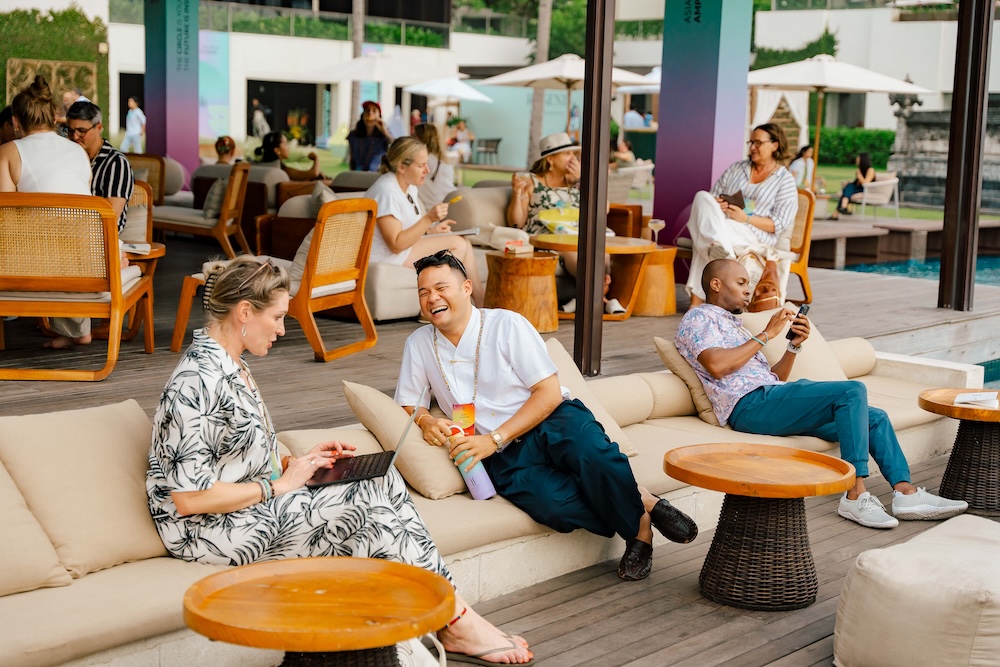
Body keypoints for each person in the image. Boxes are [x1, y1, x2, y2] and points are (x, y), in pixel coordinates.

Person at [146, 257, 532, 666]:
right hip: (210, 529)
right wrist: (281, 485)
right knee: (367, 511)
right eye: (277, 317)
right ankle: (453, 622)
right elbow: (189, 499)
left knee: (381, 481)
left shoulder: (232, 364)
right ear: (245, 312)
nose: (281, 329)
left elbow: (241, 453)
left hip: (249, 505)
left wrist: (304, 461)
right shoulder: (196, 382)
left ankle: (436, 616)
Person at [395, 251, 698, 582]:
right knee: (555, 508)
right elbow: (410, 403)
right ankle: (644, 504)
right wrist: (426, 421)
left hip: (550, 419)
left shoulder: (505, 324)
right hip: (499, 455)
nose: (432, 298)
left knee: (597, 457)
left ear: (467, 287)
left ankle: (640, 534)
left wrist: (493, 438)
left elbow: (549, 393)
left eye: (441, 287)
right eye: (423, 292)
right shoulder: (419, 343)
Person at [675, 258, 969, 529]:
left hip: (771, 398)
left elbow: (772, 377)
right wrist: (767, 334)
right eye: (741, 283)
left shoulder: (735, 327)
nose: (748, 290)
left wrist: (793, 346)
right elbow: (717, 366)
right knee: (852, 390)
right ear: (716, 284)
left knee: (874, 417)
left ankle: (906, 494)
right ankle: (855, 494)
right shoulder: (699, 318)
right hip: (749, 406)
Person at [0, 75, 98, 350]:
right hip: (90, 260)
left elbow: (5, 216)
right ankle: (79, 330)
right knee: (68, 234)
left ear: (16, 122)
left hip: (37, 260)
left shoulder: (9, 151)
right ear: (55, 120)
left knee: (41, 236)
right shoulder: (78, 151)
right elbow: (81, 207)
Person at [506, 132, 623, 315]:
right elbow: (516, 222)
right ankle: (602, 300)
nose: (573, 159)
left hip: (576, 233)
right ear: (551, 159)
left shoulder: (576, 181)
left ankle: (587, 300)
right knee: (574, 252)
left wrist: (584, 180)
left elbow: (604, 209)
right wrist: (517, 194)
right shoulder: (530, 182)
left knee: (604, 254)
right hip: (548, 238)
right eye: (567, 154)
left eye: (573, 154)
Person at [684, 123, 798, 306]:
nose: (752, 147)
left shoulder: (785, 180)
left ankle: (696, 301)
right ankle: (722, 249)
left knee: (707, 235)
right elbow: (713, 197)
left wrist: (746, 218)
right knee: (702, 197)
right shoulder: (736, 168)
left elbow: (779, 224)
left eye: (758, 143)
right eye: (751, 142)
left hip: (756, 234)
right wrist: (718, 203)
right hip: (724, 224)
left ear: (775, 145)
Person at [366, 136, 485, 306]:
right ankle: (444, 303)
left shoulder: (409, 188)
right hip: (386, 255)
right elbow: (395, 244)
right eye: (421, 165)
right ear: (401, 167)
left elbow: (407, 228)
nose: (427, 170)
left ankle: (474, 299)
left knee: (463, 242)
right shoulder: (386, 192)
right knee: (458, 244)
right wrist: (428, 219)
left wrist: (431, 231)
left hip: (401, 250)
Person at [66, 101, 135, 234]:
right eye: (69, 130)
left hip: (102, 239)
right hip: (71, 233)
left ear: (99, 127)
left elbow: (110, 216)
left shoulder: (116, 163)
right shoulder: (68, 158)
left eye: (81, 131)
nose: (74, 137)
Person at [413, 122, 456, 211]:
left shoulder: (425, 160)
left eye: (414, 135)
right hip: (449, 203)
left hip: (434, 207)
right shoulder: (442, 160)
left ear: (420, 138)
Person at [254, 130, 321, 181]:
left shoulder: (260, 166)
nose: (288, 147)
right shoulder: (283, 170)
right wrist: (316, 158)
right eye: (285, 144)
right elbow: (314, 173)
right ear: (277, 150)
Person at [347, 100, 390, 172]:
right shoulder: (354, 135)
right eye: (367, 110)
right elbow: (352, 158)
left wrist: (384, 131)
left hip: (376, 174)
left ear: (379, 116)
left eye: (374, 111)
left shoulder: (383, 136)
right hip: (358, 174)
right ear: (363, 115)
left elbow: (396, 145)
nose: (370, 113)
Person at [831, 152, 876, 219]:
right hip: (856, 188)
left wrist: (859, 176)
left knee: (847, 190)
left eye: (858, 159)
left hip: (865, 189)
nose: (856, 161)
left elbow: (866, 183)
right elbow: (856, 182)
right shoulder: (859, 169)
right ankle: (843, 207)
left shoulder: (870, 170)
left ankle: (838, 211)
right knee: (848, 187)